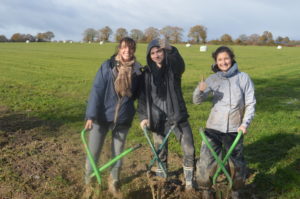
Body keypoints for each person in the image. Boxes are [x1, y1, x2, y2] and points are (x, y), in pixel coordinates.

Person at [193, 46, 256, 199]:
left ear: (232, 58)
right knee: (206, 161)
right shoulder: (212, 79)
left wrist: (244, 124)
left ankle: (235, 191)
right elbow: (197, 102)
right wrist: (200, 90)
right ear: (216, 62)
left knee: (236, 163)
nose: (223, 62)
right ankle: (206, 189)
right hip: (213, 128)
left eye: (226, 58)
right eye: (220, 59)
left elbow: (250, 103)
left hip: (235, 128)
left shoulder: (243, 78)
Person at [83, 37, 142, 199]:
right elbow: (97, 90)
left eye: (130, 48)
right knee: (93, 152)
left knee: (118, 154)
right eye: (124, 48)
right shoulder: (107, 66)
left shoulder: (138, 70)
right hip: (101, 117)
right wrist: (91, 115)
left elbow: (138, 95)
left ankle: (113, 182)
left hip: (123, 119)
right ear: (119, 49)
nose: (127, 51)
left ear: (134, 50)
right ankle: (89, 184)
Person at [138, 39, 195, 190]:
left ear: (164, 52)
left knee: (189, 149)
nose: (156, 55)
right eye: (153, 53)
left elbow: (180, 65)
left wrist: (171, 49)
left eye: (159, 51)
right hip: (157, 119)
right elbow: (143, 98)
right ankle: (163, 179)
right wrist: (143, 117)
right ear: (149, 56)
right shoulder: (146, 74)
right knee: (160, 152)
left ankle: (189, 182)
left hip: (177, 116)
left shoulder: (173, 70)